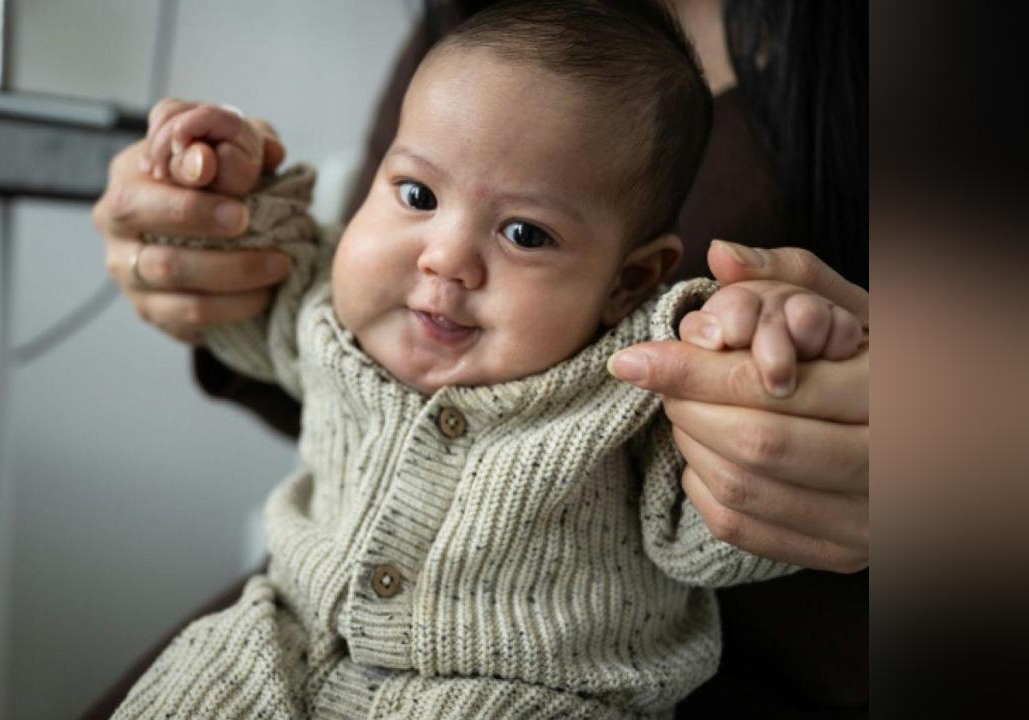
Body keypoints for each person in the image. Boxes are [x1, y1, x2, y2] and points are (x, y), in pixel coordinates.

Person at [91, 2, 868, 717]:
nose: (446, 259)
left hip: (521, 694)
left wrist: (768, 360)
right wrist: (217, 193)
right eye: (418, 196)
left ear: (627, 281)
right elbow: (254, 281)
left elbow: (732, 508)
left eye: (524, 234)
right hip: (285, 641)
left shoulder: (638, 383)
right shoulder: (330, 310)